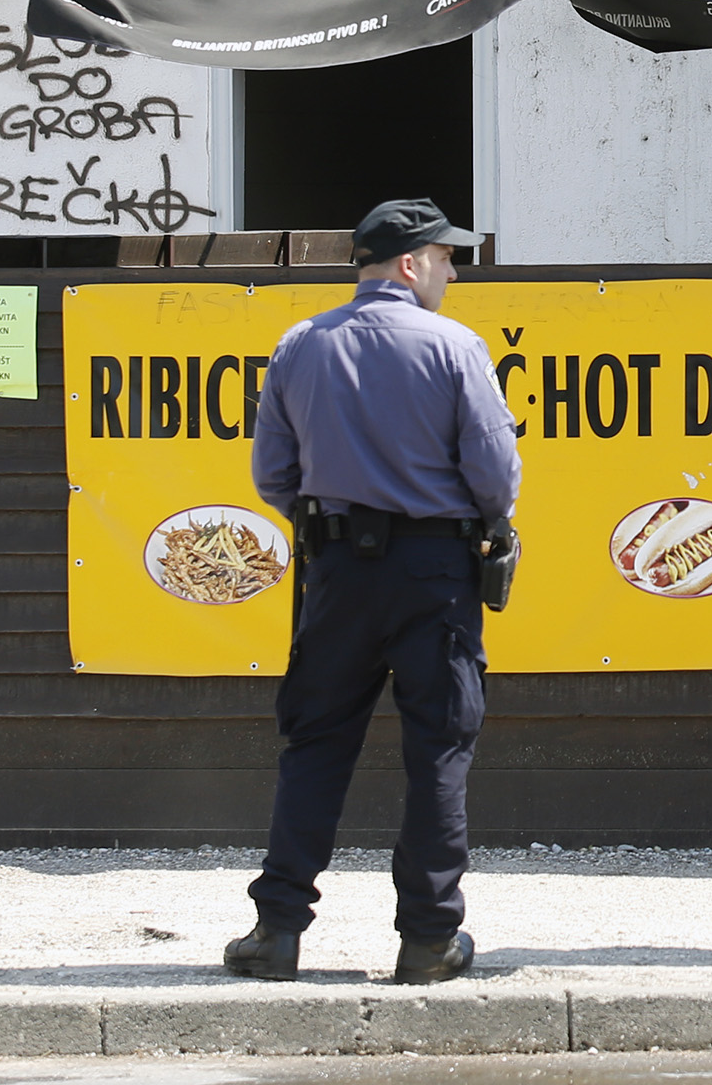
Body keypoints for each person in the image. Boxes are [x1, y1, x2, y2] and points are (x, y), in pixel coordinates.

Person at [223, 197, 521, 985]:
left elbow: (271, 477)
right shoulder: (456, 346)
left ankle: (277, 929)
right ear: (408, 264)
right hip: (435, 573)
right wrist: (480, 520)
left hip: (338, 573)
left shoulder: (298, 345)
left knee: (316, 745)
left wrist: (330, 526)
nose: (453, 272)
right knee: (440, 749)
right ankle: (428, 939)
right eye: (447, 258)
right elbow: (496, 474)